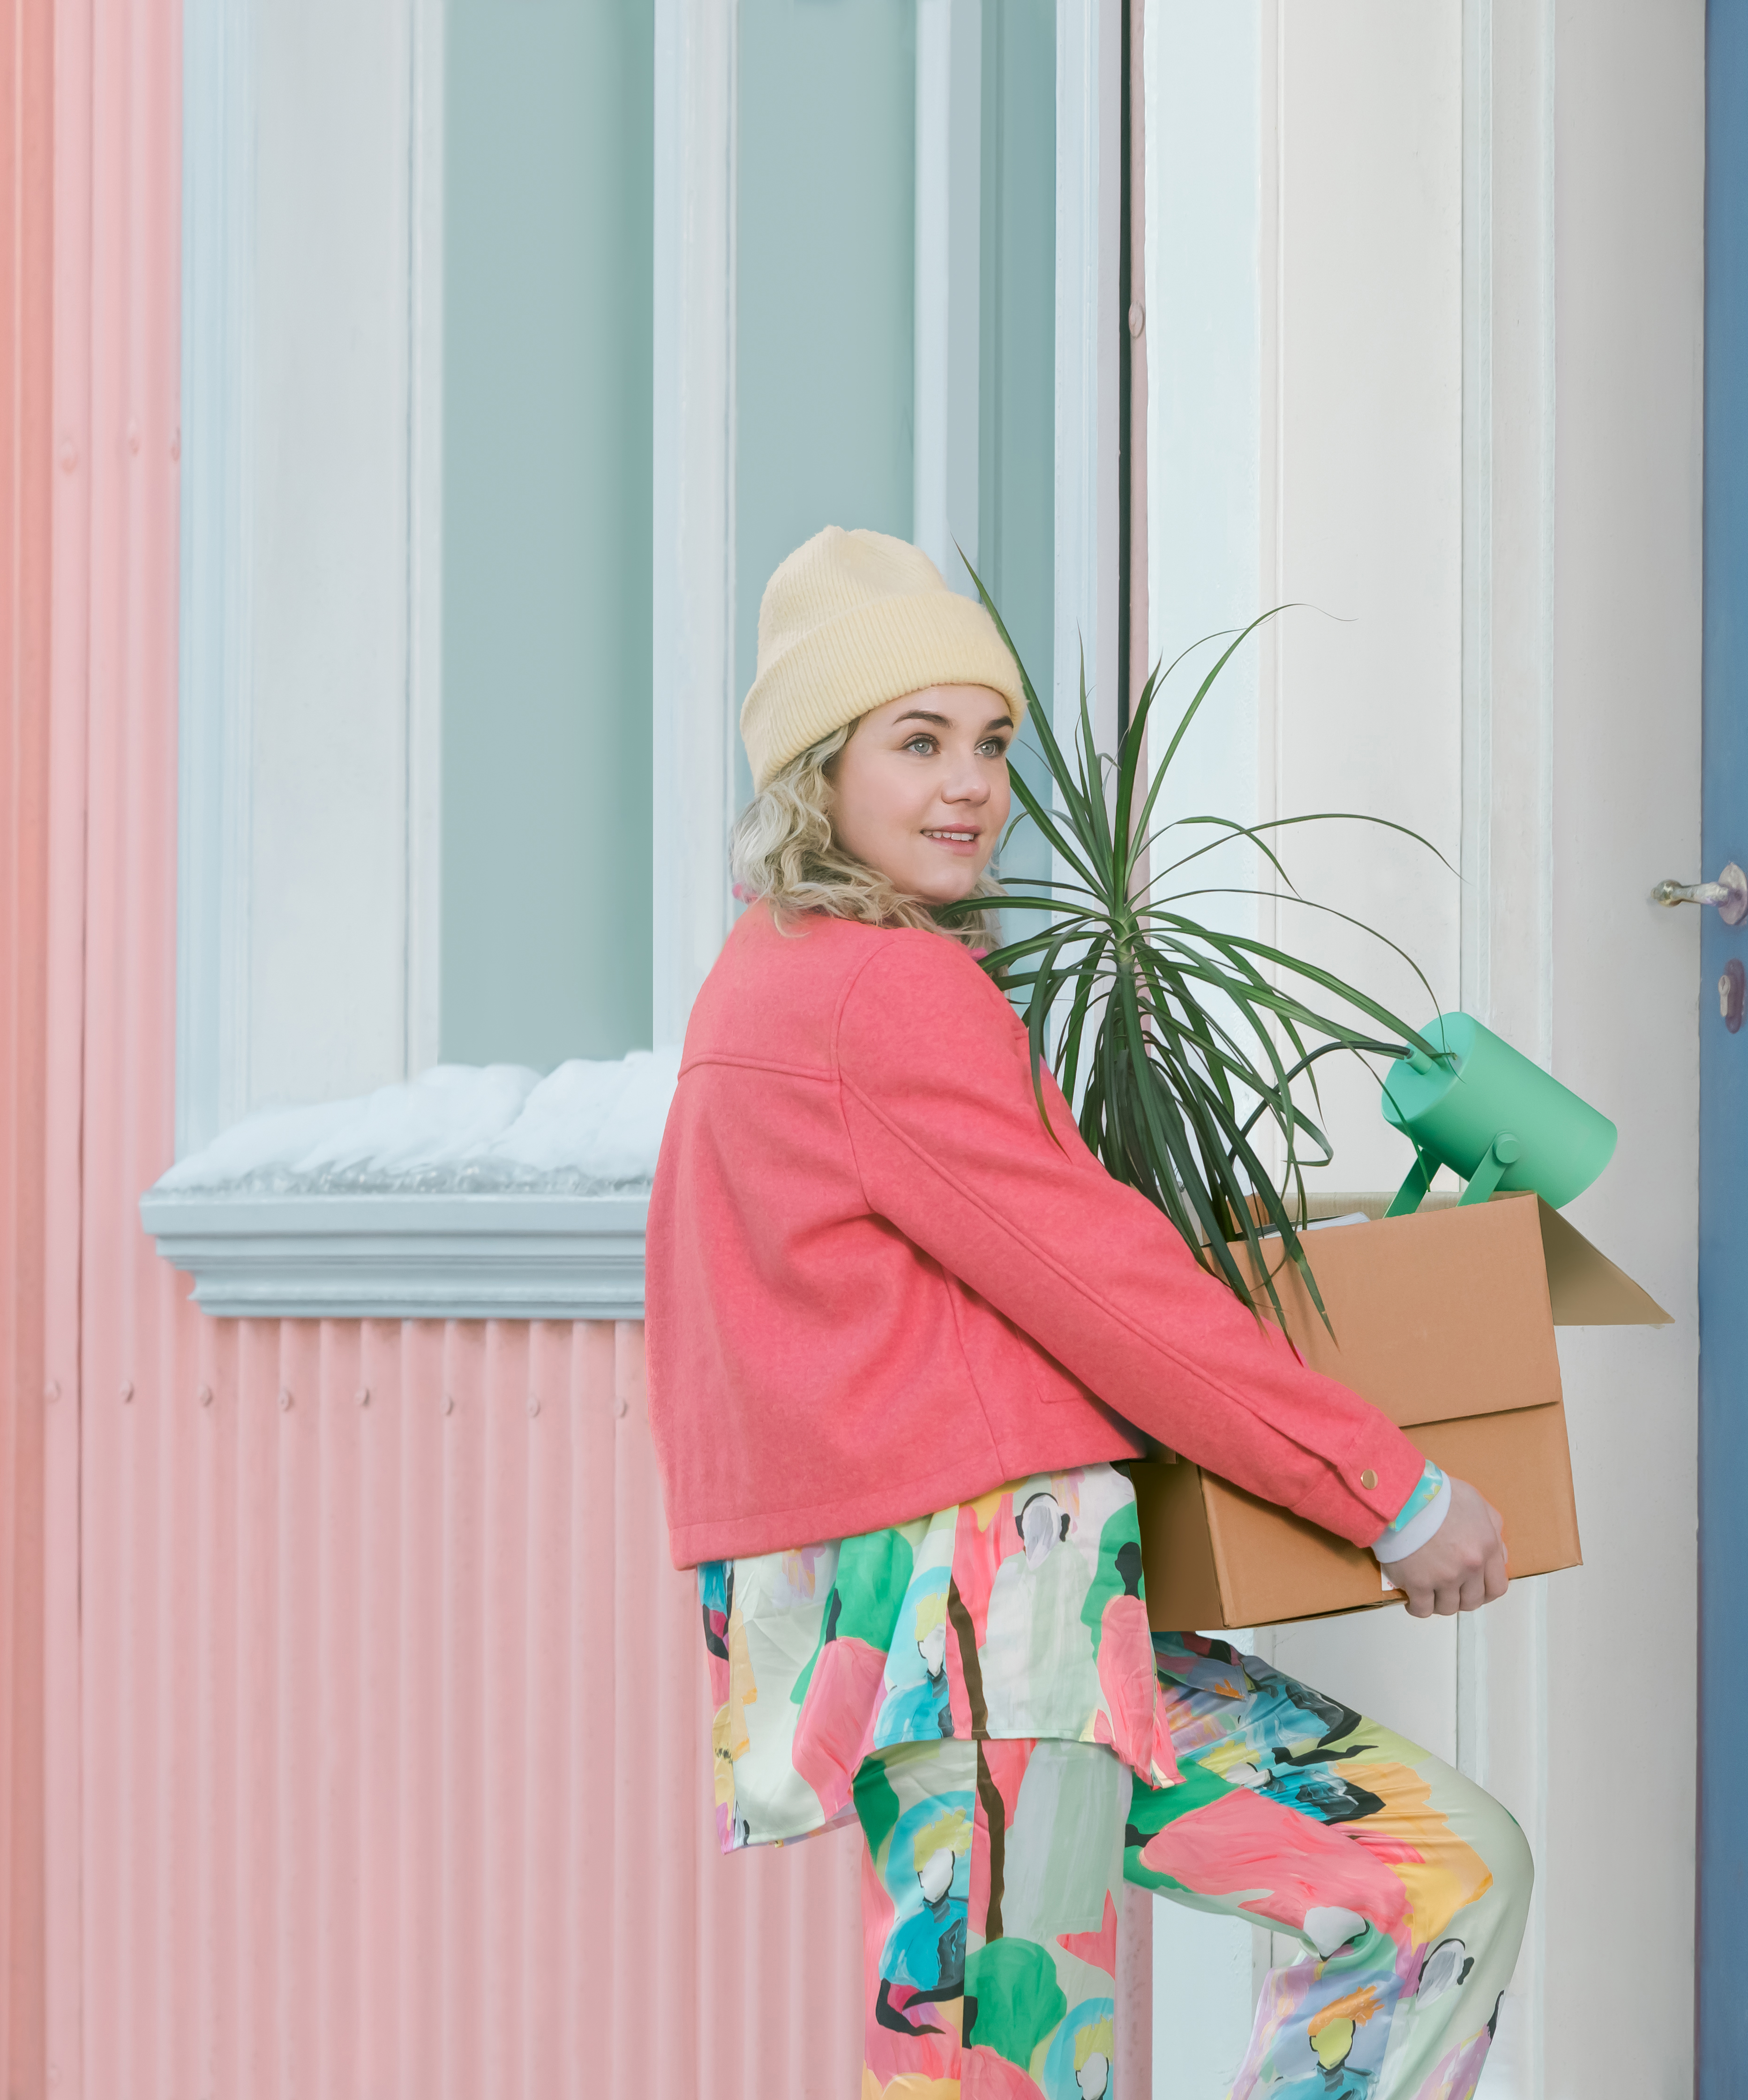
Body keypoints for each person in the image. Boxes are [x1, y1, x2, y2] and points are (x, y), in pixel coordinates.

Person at [647, 528, 1530, 2100]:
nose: (969, 784)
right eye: (916, 743)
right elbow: (1109, 1294)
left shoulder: (765, 985)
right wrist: (1391, 1492)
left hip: (1022, 1636)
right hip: (978, 1631)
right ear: (815, 771)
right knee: (1008, 2071)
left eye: (988, 743)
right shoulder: (878, 993)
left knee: (1435, 1881)